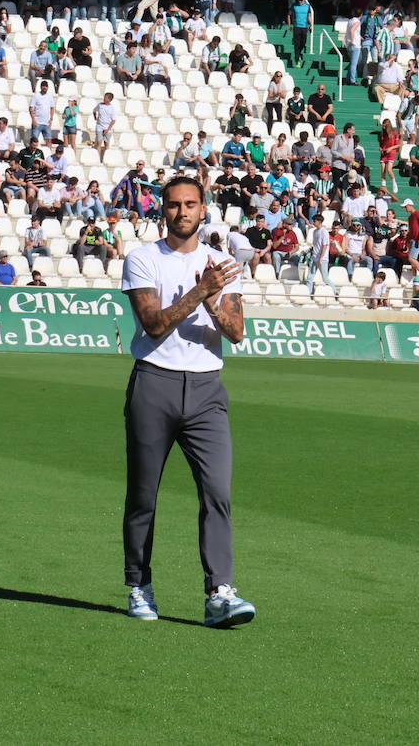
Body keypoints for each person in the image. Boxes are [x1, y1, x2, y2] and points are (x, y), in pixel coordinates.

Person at [119, 176, 254, 629]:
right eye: (174, 205)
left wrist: (215, 300)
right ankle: (139, 585)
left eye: (191, 204)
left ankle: (219, 593)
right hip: (153, 384)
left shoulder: (222, 263)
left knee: (217, 492)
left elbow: (235, 332)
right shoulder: (142, 259)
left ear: (204, 208)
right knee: (143, 495)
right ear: (164, 210)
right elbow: (154, 324)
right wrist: (200, 292)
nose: (182, 212)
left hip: (206, 390)